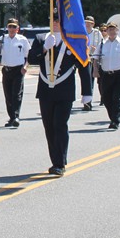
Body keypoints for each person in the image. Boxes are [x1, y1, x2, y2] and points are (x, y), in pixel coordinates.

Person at [38, 16, 78, 176]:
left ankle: (60, 162)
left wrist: (87, 91)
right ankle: (55, 159)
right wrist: (44, 49)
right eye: (52, 22)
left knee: (60, 124)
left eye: (58, 22)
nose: (55, 24)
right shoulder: (42, 38)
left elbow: (82, 63)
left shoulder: (72, 41)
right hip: (46, 90)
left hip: (65, 90)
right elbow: (32, 58)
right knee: (49, 127)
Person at [93, 21, 120, 130]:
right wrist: (95, 70)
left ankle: (115, 120)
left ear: (117, 30)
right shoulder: (102, 44)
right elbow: (95, 58)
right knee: (106, 98)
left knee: (117, 98)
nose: (111, 31)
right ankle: (113, 117)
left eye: (113, 29)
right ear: (107, 31)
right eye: (109, 29)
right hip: (106, 74)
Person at [0, 18, 30, 127]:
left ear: (18, 29)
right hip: (7, 70)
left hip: (18, 70)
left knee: (16, 94)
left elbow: (28, 55)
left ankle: (16, 116)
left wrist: (25, 66)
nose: (12, 29)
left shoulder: (22, 40)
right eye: (10, 26)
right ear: (7, 28)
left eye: (14, 27)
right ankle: (12, 118)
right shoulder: (2, 39)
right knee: (8, 95)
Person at [79, 16, 102, 111]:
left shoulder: (97, 33)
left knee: (92, 80)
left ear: (93, 24)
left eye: (90, 23)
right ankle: (87, 101)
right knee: (86, 80)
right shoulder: (81, 32)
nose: (87, 24)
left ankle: (90, 99)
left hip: (94, 58)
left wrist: (95, 49)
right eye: (86, 23)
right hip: (84, 59)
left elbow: (101, 44)